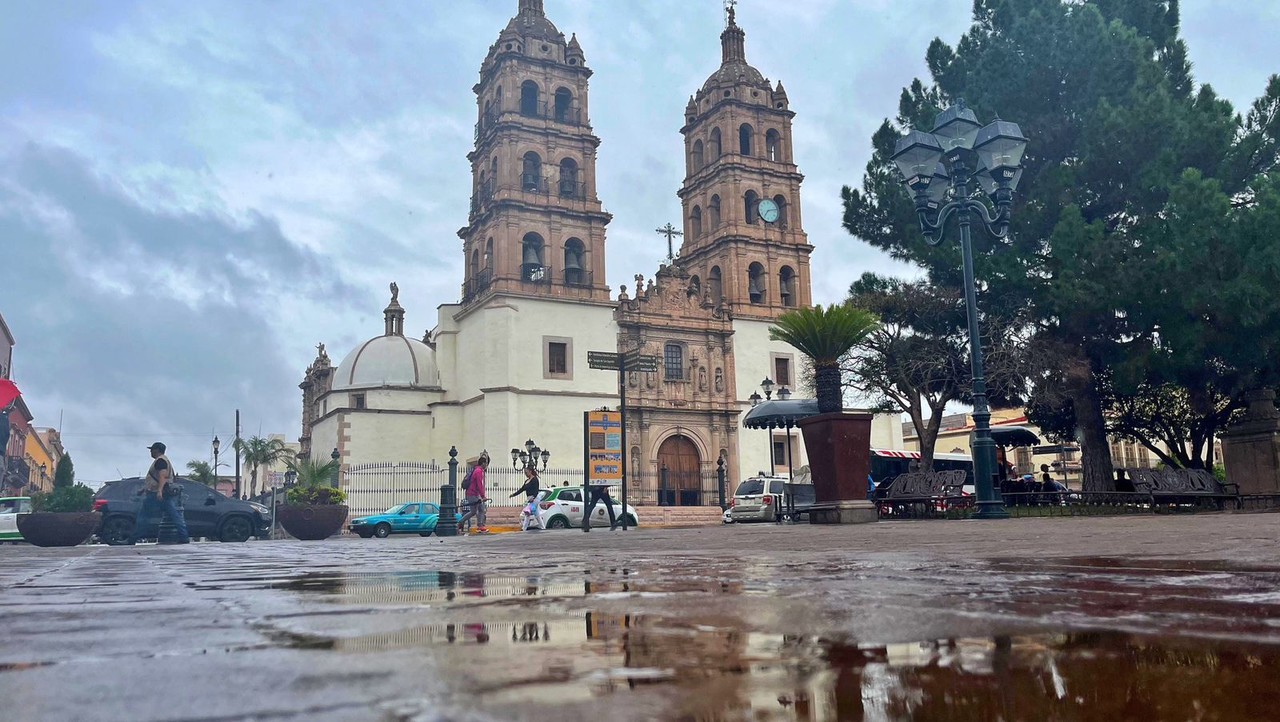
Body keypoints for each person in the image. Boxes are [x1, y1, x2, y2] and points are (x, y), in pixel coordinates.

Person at [128, 442, 190, 544]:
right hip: (163, 493)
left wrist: (159, 491)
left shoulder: (160, 461)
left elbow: (162, 476)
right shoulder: (165, 460)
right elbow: (157, 478)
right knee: (175, 516)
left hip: (155, 493)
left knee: (143, 517)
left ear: (156, 450)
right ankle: (184, 537)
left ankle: (133, 538)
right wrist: (144, 489)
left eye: (152, 450)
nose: (150, 452)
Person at [457, 452, 490, 534]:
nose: (486, 465)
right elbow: (479, 484)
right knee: (481, 509)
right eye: (486, 463)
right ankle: (480, 526)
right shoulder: (479, 471)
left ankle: (460, 522)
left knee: (473, 511)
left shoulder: (475, 470)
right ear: (483, 463)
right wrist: (483, 496)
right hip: (473, 494)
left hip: (470, 494)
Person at [510, 466, 547, 531]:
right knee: (536, 514)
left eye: (526, 472)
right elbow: (521, 489)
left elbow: (536, 490)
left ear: (530, 471)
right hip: (529, 498)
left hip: (535, 499)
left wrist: (533, 497)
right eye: (524, 473)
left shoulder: (535, 479)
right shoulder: (526, 481)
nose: (525, 474)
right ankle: (543, 527)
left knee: (527, 512)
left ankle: (524, 528)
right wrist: (514, 494)